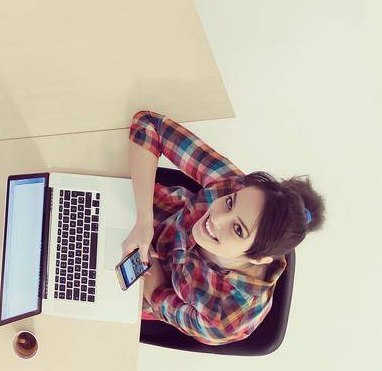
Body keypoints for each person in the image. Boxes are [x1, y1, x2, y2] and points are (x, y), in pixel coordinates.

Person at [118, 109, 324, 346]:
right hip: (139, 208)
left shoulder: (229, 317)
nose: (216, 220)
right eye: (229, 203)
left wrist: (141, 258)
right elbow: (148, 124)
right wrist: (144, 219)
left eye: (238, 230)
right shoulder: (233, 184)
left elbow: (157, 295)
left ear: (259, 258)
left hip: (137, 282)